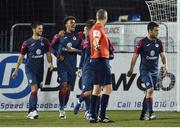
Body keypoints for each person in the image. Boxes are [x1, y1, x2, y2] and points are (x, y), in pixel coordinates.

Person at [12, 21, 53, 119]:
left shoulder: (45, 41)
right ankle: (34, 110)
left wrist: (50, 63)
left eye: (42, 29)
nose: (41, 30)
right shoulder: (27, 43)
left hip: (40, 70)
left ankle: (30, 111)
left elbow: (48, 55)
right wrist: (16, 70)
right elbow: (21, 57)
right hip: (30, 69)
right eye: (39, 28)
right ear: (34, 29)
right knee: (34, 88)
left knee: (35, 90)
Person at [127, 22, 168, 120]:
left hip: (155, 71)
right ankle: (151, 113)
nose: (158, 32)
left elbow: (163, 56)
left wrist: (166, 66)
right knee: (150, 90)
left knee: (148, 93)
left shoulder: (159, 42)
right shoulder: (142, 42)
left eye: (158, 30)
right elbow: (135, 57)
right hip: (145, 70)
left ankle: (142, 114)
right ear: (150, 30)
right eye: (156, 30)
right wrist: (131, 69)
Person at [51, 16, 81, 119]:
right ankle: (61, 109)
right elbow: (51, 47)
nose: (73, 24)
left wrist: (75, 51)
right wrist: (57, 55)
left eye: (74, 23)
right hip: (62, 65)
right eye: (71, 22)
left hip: (72, 66)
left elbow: (83, 52)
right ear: (66, 24)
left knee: (68, 89)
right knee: (63, 85)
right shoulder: (59, 36)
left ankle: (63, 106)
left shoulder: (78, 37)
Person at [89, 9, 114, 123]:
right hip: (101, 60)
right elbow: (95, 38)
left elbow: (95, 38)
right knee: (108, 88)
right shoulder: (98, 27)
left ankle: (93, 116)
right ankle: (102, 116)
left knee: (96, 88)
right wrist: (97, 45)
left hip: (95, 61)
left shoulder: (96, 27)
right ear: (106, 17)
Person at [73, 19, 96, 119]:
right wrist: (79, 67)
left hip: (97, 68)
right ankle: (79, 102)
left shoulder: (96, 38)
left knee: (94, 91)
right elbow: (83, 55)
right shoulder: (86, 40)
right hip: (87, 69)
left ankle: (88, 111)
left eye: (85, 30)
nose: (84, 32)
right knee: (87, 91)